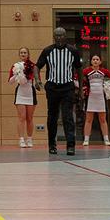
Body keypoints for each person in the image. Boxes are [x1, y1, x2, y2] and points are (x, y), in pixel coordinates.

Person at [36, 27, 82, 156]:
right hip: (52, 87)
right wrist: (37, 81)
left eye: (61, 35)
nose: (59, 38)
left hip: (68, 87)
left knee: (68, 117)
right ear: (53, 37)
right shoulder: (47, 50)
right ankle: (52, 145)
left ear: (65, 36)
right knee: (52, 117)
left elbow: (79, 69)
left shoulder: (73, 51)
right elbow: (37, 66)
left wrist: (81, 89)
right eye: (56, 35)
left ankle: (71, 146)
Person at [81, 55, 110, 147]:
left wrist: (108, 87)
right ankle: (86, 139)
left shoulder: (104, 71)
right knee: (88, 119)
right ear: (91, 61)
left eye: (97, 59)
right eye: (93, 59)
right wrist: (82, 88)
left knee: (103, 119)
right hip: (91, 97)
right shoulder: (86, 70)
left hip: (100, 97)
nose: (95, 61)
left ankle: (106, 139)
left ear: (100, 61)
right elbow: (76, 78)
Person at [8, 47, 39, 148]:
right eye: (21, 53)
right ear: (19, 54)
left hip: (30, 92)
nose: (23, 54)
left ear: (28, 54)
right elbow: (10, 82)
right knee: (21, 117)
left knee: (29, 118)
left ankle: (29, 139)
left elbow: (37, 80)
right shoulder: (15, 66)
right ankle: (21, 139)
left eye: (25, 52)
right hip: (20, 93)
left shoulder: (33, 66)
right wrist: (16, 74)